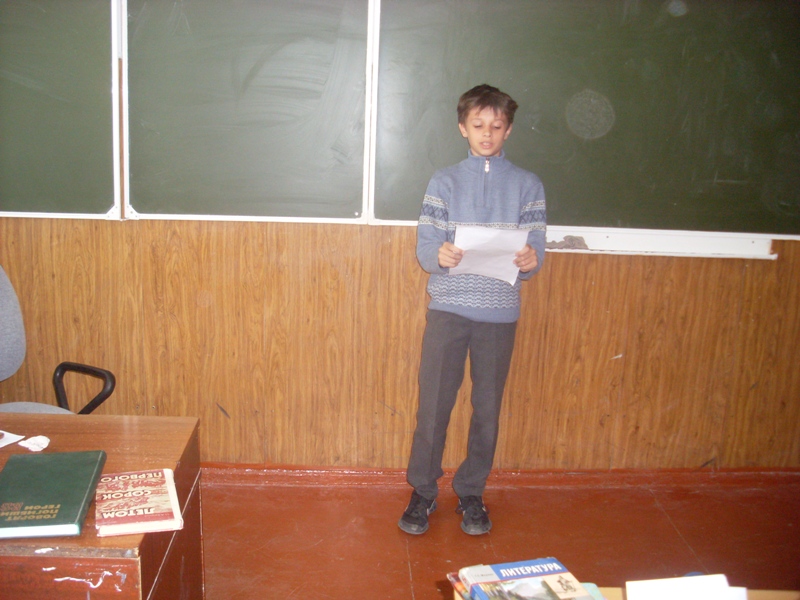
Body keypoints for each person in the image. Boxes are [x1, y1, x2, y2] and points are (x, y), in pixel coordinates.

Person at [398, 84, 546, 536]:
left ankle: (471, 491)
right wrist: (438, 255)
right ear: (463, 127)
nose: (487, 134)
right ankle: (423, 491)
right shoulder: (444, 182)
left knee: (487, 410)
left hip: (499, 316)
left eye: (496, 126)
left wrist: (530, 260)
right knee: (434, 406)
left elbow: (535, 251)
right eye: (478, 125)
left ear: (508, 130)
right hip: (449, 310)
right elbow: (426, 247)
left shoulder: (528, 185)